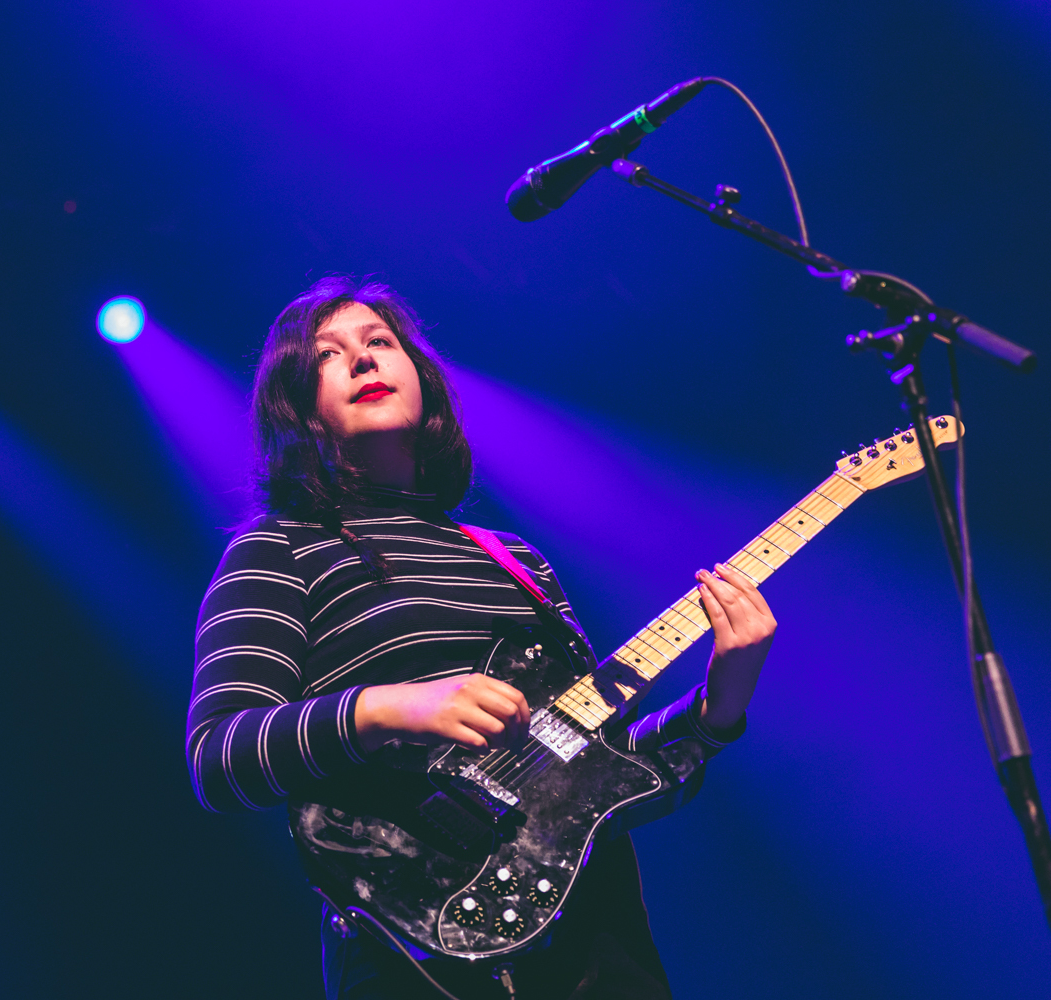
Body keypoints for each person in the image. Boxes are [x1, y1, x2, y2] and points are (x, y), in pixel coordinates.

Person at [185, 276, 777, 999]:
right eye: (328, 355)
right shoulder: (280, 548)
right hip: (414, 948)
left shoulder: (514, 559)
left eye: (380, 342)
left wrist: (719, 705)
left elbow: (598, 772)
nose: (364, 360)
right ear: (300, 409)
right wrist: (393, 707)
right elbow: (219, 757)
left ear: (422, 378)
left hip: (596, 940)